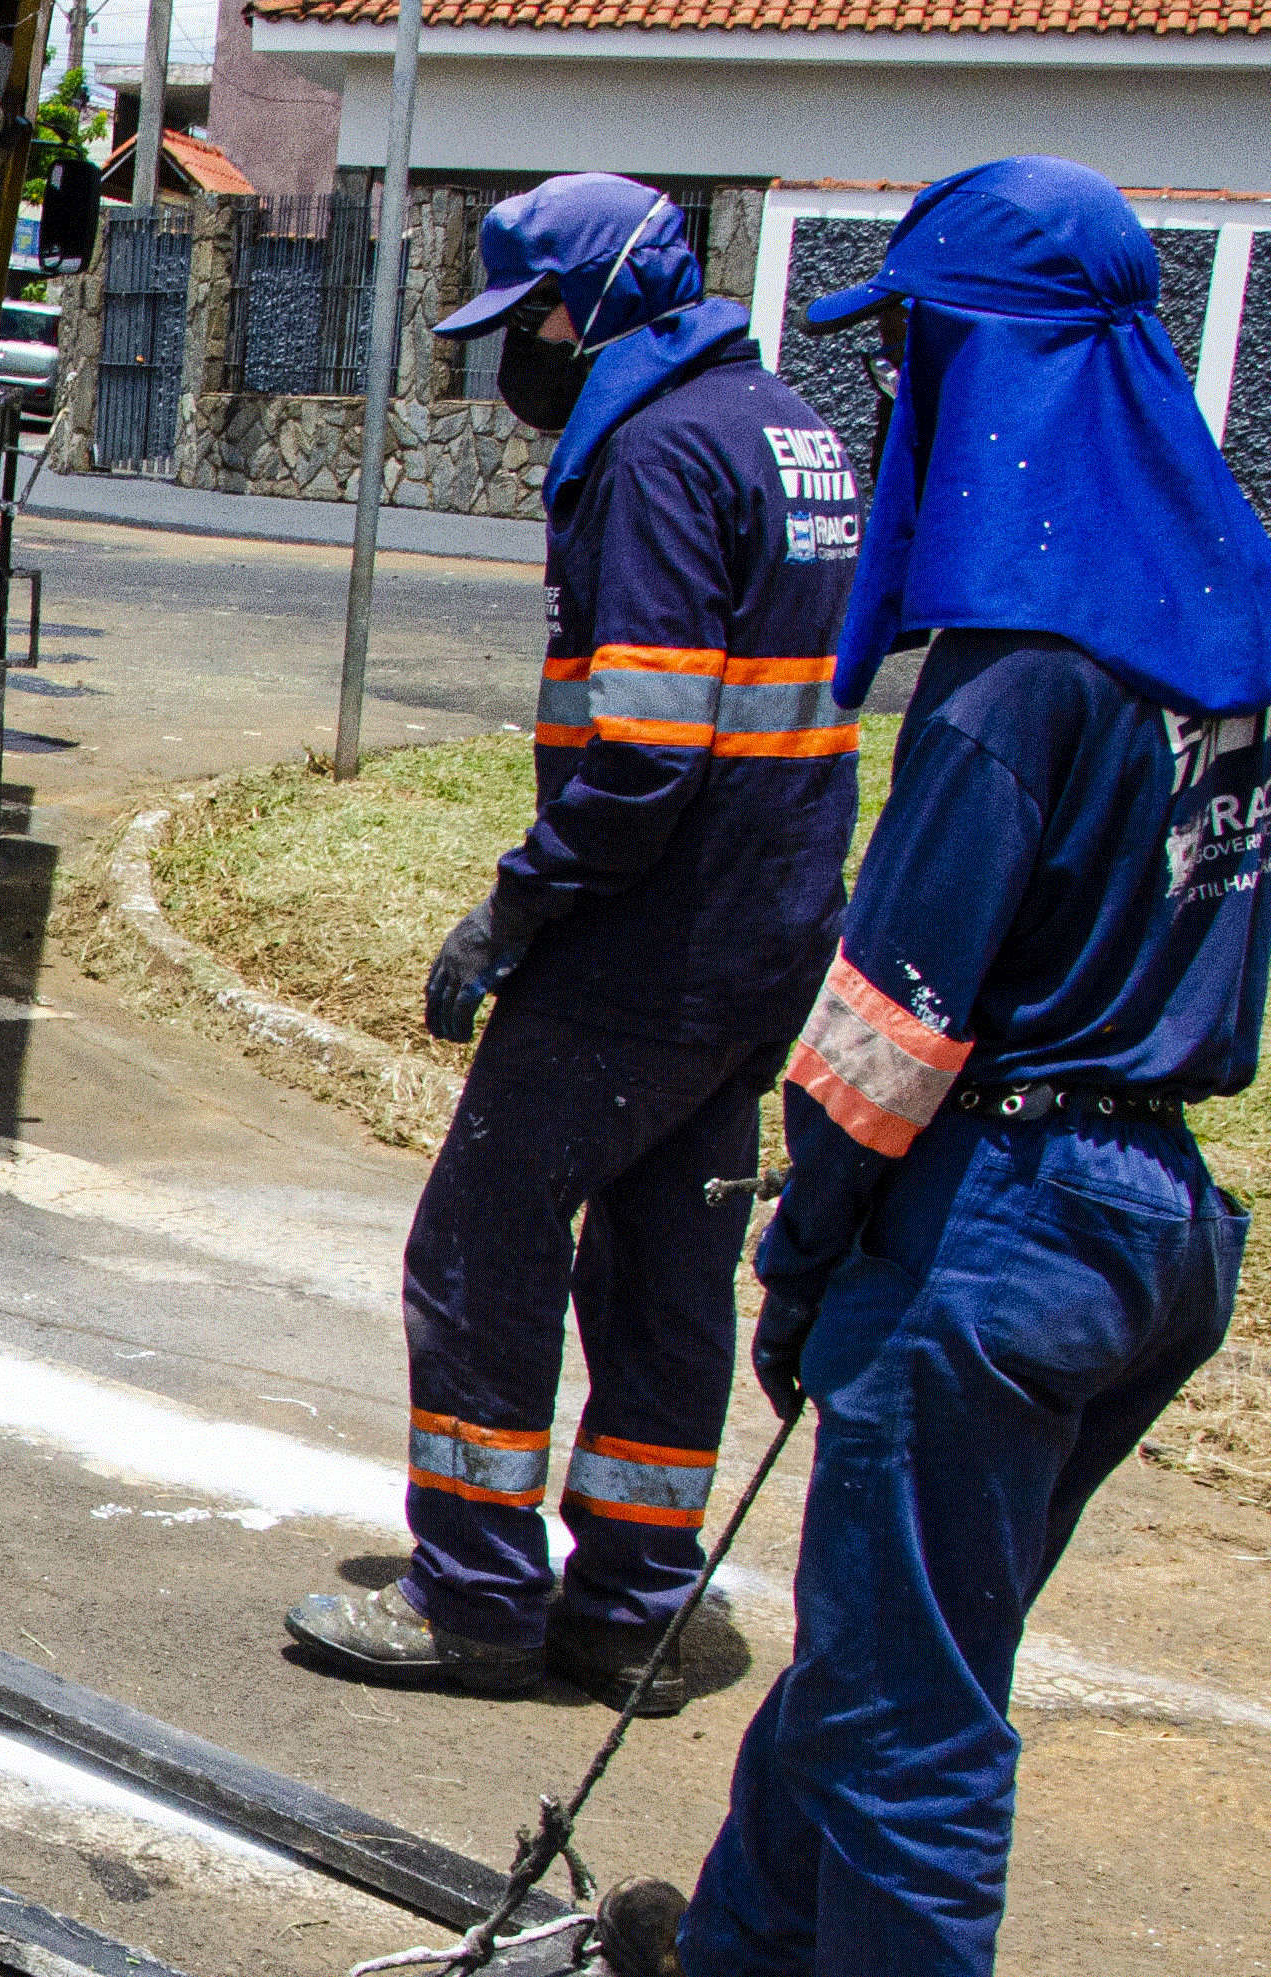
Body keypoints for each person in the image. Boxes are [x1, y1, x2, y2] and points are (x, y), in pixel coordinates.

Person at [589, 155, 1271, 1977]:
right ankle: (738, 1953)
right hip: (1162, 1225)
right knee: (894, 1649)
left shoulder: (1010, 685)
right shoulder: (1221, 648)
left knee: (914, 1734)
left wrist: (804, 1273)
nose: (902, 402)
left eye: (912, 360)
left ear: (991, 369)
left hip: (998, 1225)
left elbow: (881, 1047)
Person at [283, 176, 863, 1707]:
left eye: (525, 322)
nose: (514, 360)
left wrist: (519, 901)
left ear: (595, 304)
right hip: (764, 942)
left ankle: (473, 1592)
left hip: (643, 948)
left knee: (481, 1240)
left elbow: (647, 749)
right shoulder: (786, 427)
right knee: (670, 1270)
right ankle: (632, 1609)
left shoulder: (659, 454)